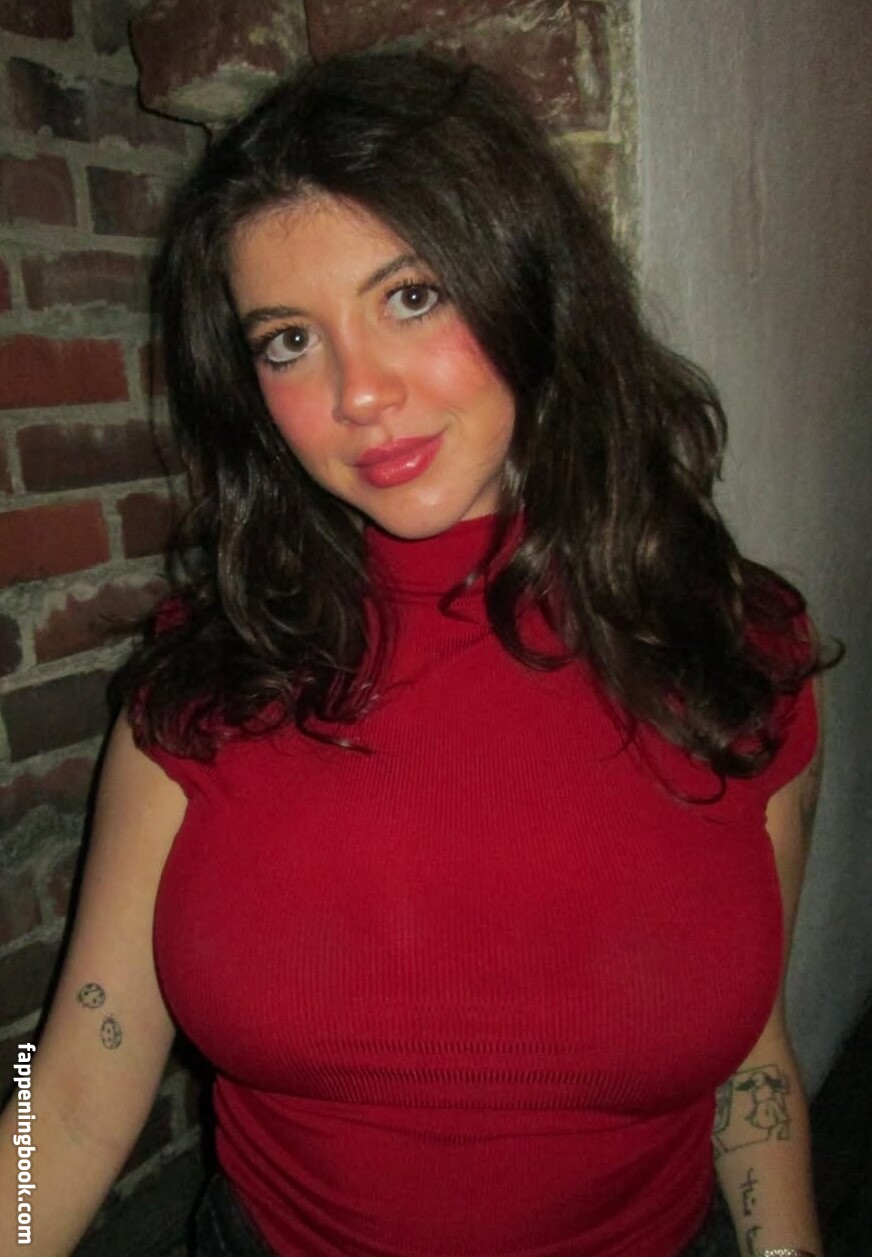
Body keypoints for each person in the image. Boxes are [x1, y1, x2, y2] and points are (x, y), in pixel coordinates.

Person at [0, 50, 833, 1257]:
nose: (358, 394)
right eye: (289, 340)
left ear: (527, 287)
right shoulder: (209, 678)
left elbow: (748, 1062)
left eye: (409, 297)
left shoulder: (731, 653)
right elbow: (74, 1084)